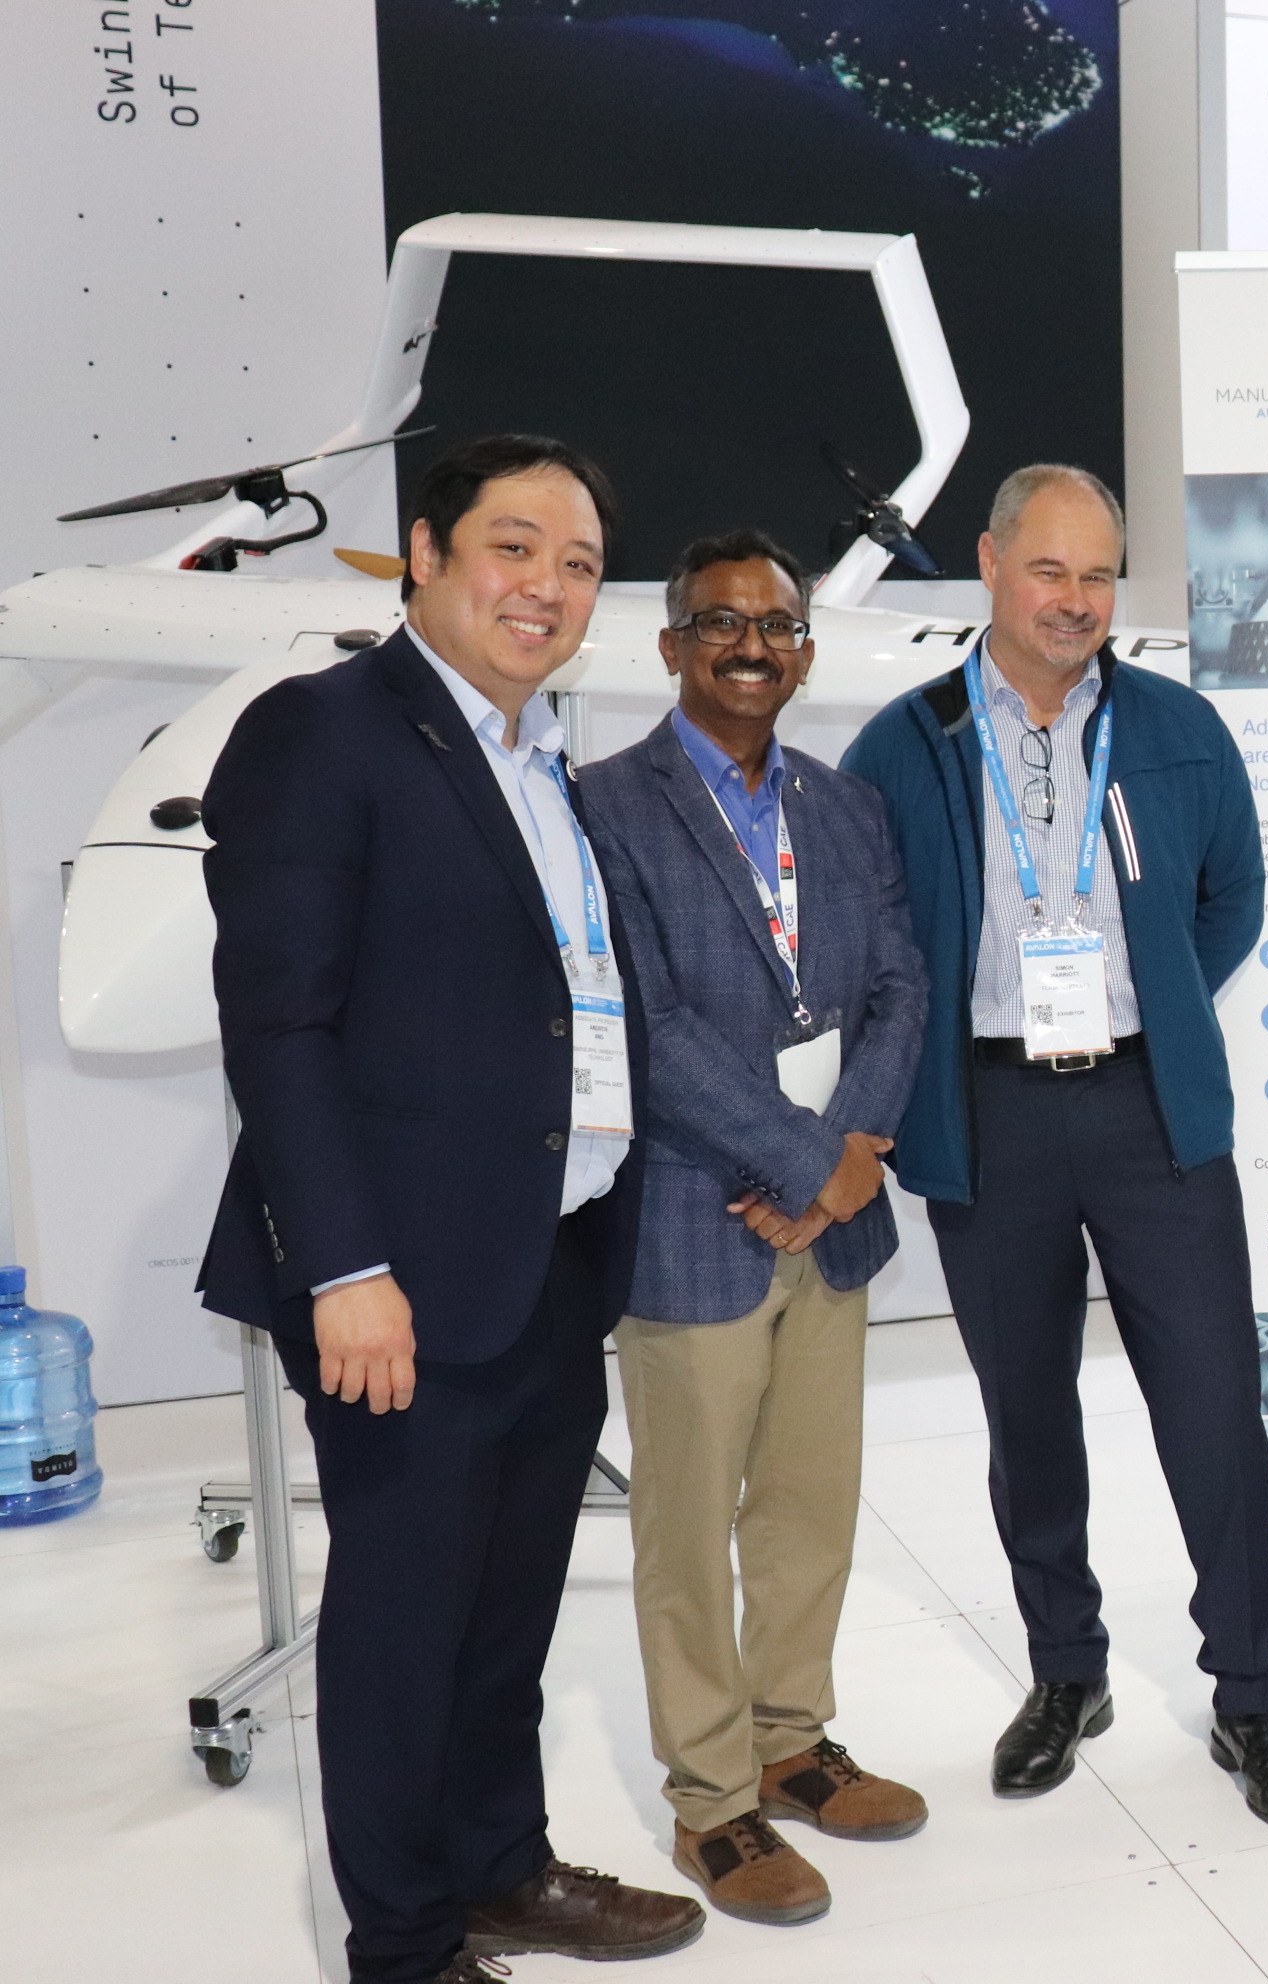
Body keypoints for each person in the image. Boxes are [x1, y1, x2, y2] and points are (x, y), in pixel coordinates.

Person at [197, 434, 703, 1984]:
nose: (548, 585)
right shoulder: (324, 731)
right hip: (399, 1282)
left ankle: (499, 1868)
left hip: (550, 1254)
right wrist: (342, 1264)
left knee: (506, 1610)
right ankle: (406, 1947)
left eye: (580, 563)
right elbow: (278, 1025)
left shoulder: (538, 757)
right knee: (406, 1627)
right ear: (424, 552)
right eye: (514, 546)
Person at [840, 463, 1268, 1827]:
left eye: (1099, 575)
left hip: (1150, 1107)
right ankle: (1067, 1672)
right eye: (1050, 570)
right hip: (989, 1111)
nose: (1075, 599)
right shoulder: (907, 742)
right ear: (992, 565)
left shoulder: (1178, 728)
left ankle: (1252, 1697)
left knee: (1213, 1407)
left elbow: (1231, 896)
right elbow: (874, 937)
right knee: (1029, 1413)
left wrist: (1150, 999)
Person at [581, 530, 930, 1923]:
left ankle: (792, 1742)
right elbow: (643, 1025)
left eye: (776, 625)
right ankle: (712, 1802)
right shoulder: (604, 807)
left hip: (827, 1222)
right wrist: (806, 1160)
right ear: (672, 646)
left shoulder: (844, 808)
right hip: (693, 1216)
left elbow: (899, 985)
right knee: (686, 1529)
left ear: (806, 650)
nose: (750, 645)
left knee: (808, 1504)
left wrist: (846, 1163)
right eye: (720, 622)